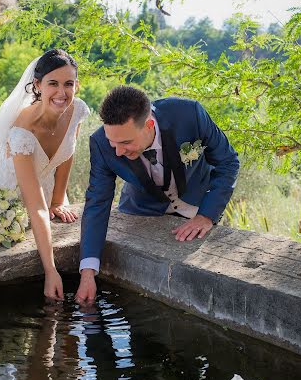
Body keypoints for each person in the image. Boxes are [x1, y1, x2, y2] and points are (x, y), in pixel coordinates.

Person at [0, 49, 90, 301]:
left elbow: (68, 154)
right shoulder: (22, 131)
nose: (61, 93)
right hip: (5, 196)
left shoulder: (76, 110)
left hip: (42, 189)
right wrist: (51, 270)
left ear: (77, 84)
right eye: (52, 83)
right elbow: (36, 209)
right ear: (37, 85)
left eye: (68, 84)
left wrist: (57, 199)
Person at [76, 86, 239, 303]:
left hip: (196, 206)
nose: (117, 151)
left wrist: (207, 215)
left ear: (149, 125)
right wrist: (87, 272)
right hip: (142, 210)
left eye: (125, 142)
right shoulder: (100, 143)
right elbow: (97, 202)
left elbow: (228, 162)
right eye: (112, 142)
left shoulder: (189, 114)